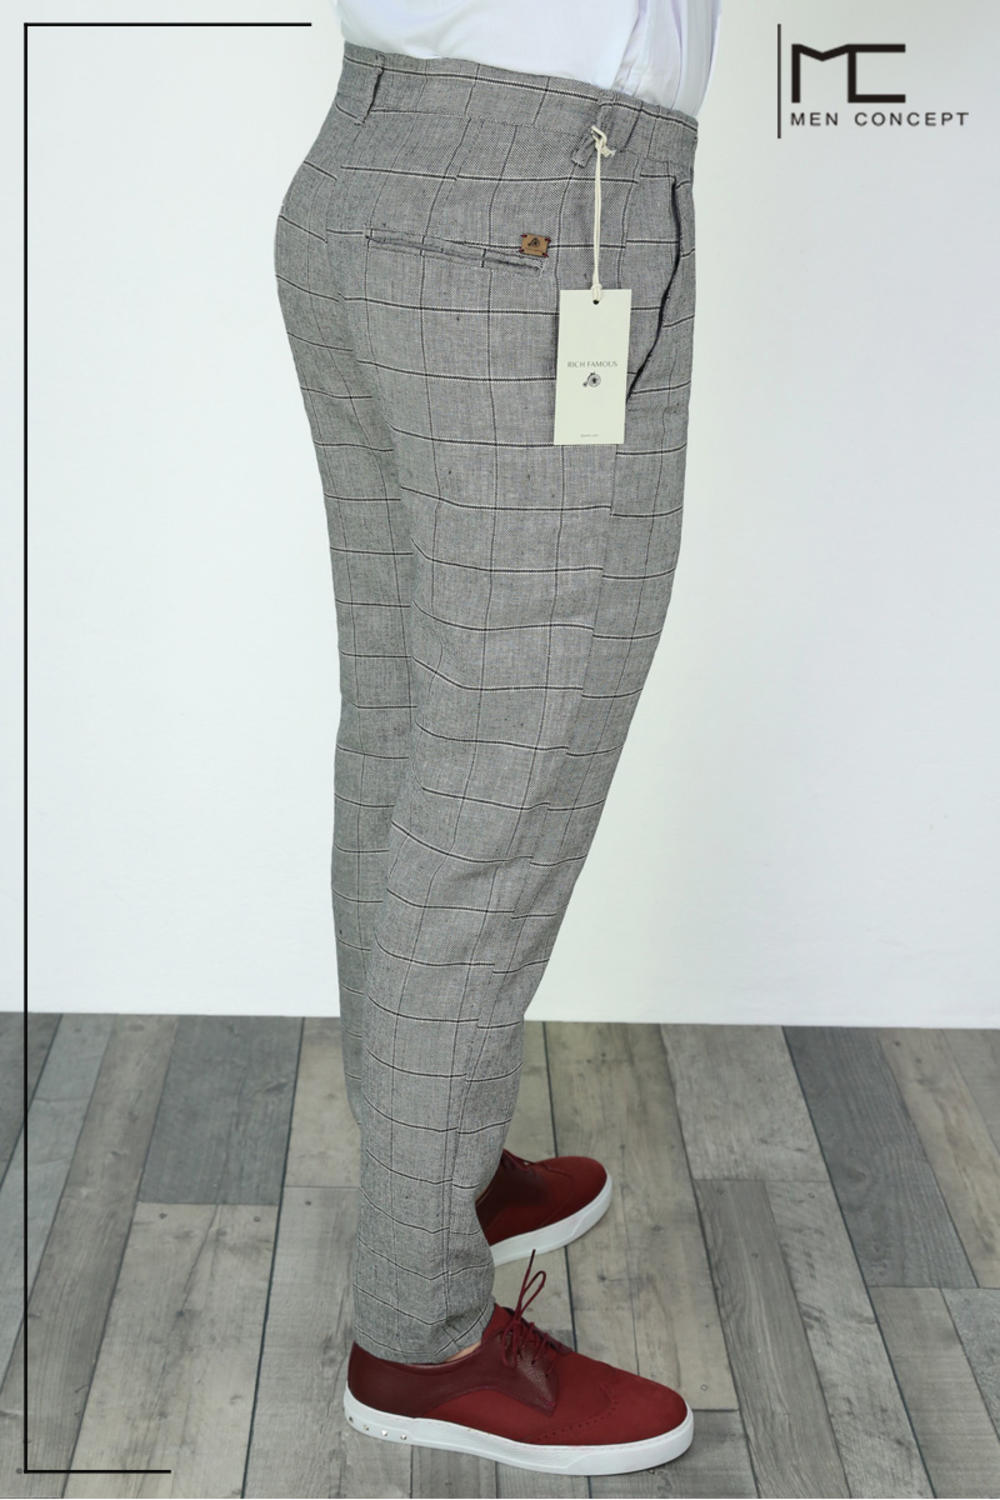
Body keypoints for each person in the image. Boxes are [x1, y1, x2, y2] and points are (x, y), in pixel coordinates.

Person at [273, 0, 721, 1477]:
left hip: (371, 165)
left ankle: (435, 1172)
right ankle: (419, 1335)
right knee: (498, 778)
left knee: (411, 732)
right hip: (536, 206)